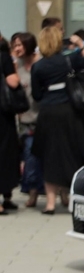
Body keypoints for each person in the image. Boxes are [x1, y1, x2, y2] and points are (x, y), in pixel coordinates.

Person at [31, 26, 84, 214]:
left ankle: (50, 203)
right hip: (69, 112)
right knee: (72, 152)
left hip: (48, 112)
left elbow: (36, 94)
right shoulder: (70, 59)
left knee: (50, 155)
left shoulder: (38, 66)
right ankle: (71, 197)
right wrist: (81, 44)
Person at [11, 32, 44, 208]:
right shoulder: (17, 68)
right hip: (24, 121)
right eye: (14, 45)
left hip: (41, 119)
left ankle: (38, 192)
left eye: (19, 45)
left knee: (35, 157)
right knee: (29, 157)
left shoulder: (41, 64)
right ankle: (33, 191)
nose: (16, 48)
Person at [0, 37, 21, 215]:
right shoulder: (4, 57)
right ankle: (4, 198)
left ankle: (6, 197)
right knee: (5, 153)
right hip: (2, 114)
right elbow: (13, 81)